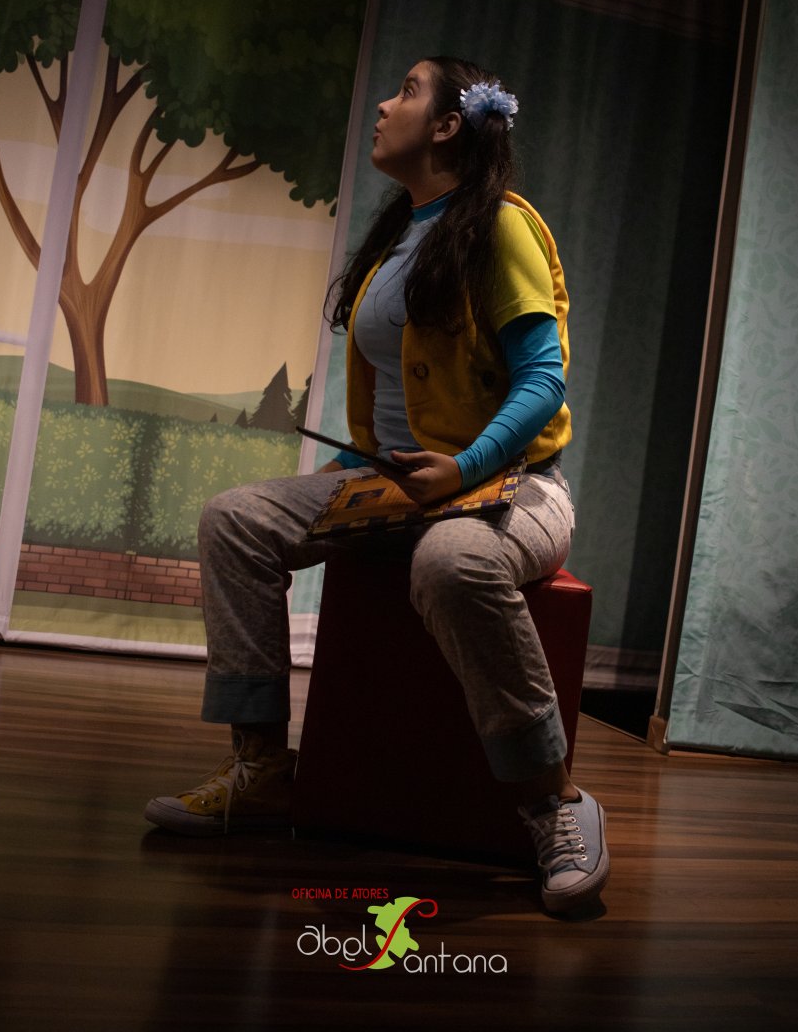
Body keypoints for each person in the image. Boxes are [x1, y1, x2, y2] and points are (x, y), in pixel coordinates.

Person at [145, 56, 610, 915]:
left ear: (447, 126)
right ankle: (262, 769)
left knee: (451, 563)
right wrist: (357, 477)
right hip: (392, 482)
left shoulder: (500, 227)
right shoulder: (402, 233)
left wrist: (462, 468)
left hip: (512, 487)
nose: (386, 105)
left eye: (407, 90)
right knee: (234, 520)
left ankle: (553, 802)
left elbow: (543, 382)